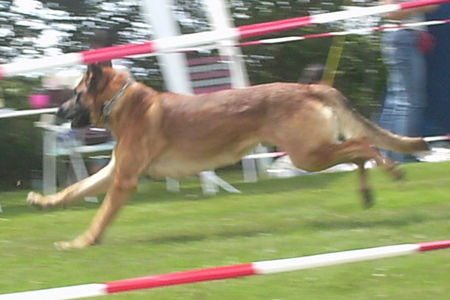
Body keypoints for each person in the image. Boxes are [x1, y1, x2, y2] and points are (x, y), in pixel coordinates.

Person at [378, 0, 438, 162]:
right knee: (409, 102)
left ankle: (387, 155)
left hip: (402, 37)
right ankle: (401, 155)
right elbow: (391, 12)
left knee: (396, 102)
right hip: (404, 37)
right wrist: (425, 4)